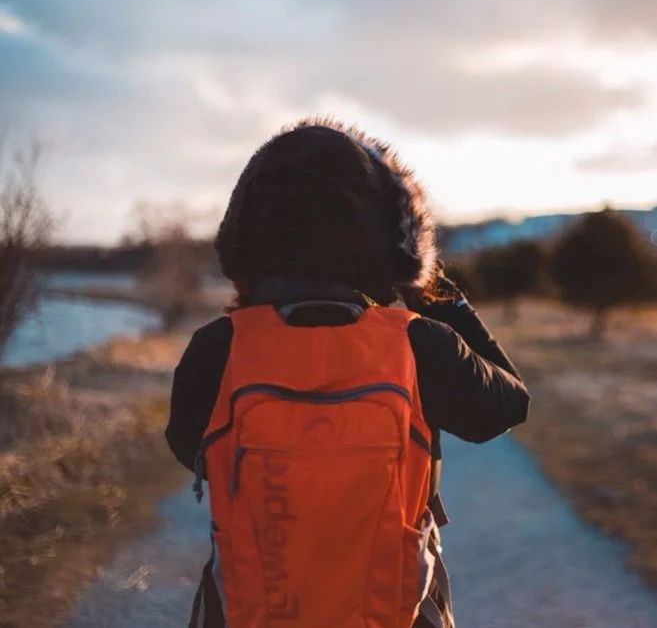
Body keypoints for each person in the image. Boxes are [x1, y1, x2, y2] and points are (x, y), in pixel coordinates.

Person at [166, 119, 530, 628]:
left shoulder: (220, 347)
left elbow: (189, 447)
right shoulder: (418, 341)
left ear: (244, 235)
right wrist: (432, 289)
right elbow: (509, 406)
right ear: (393, 239)